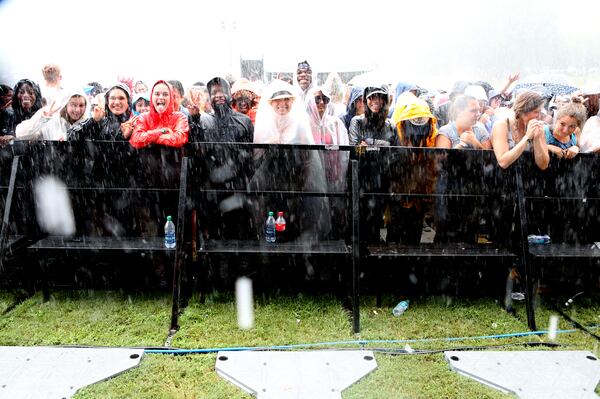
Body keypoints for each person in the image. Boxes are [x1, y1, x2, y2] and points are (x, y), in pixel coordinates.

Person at [491, 90, 550, 170]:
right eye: (536, 112)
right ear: (523, 111)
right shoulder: (501, 125)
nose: (539, 116)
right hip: (503, 177)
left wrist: (537, 139)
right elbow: (503, 162)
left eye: (540, 112)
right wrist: (527, 137)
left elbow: (543, 165)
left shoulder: (537, 127)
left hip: (528, 178)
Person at [129, 80, 189, 149]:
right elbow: (136, 139)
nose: (161, 97)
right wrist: (162, 131)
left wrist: (148, 138)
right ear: (151, 97)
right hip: (147, 159)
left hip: (173, 159)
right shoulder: (143, 117)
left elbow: (180, 139)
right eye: (157, 94)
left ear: (171, 98)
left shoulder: (180, 117)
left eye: (165, 94)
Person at [68, 82, 137, 141]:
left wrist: (125, 137)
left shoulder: (135, 125)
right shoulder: (98, 123)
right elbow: (70, 138)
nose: (116, 102)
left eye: (121, 98)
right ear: (107, 101)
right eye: (112, 98)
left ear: (128, 102)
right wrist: (92, 121)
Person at [254, 79, 313, 144]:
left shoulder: (299, 123)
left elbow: (307, 150)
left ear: (292, 101)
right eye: (277, 99)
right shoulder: (264, 124)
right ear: (271, 103)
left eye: (286, 99)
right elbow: (258, 150)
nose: (282, 103)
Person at [15, 90, 88, 141]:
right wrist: (42, 119)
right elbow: (21, 134)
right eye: (73, 105)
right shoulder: (51, 120)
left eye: (81, 105)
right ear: (66, 105)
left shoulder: (87, 123)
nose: (77, 110)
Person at [1, 79, 43, 145]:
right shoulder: (7, 113)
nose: (26, 95)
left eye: (31, 92)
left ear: (36, 96)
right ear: (15, 95)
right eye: (21, 92)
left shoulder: (41, 115)